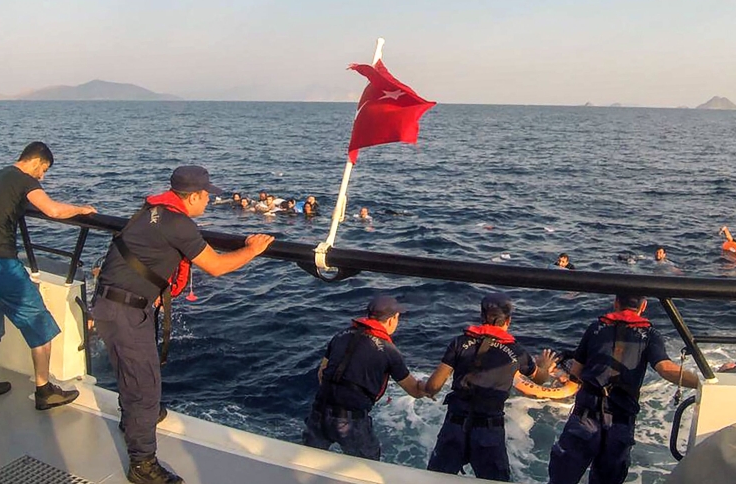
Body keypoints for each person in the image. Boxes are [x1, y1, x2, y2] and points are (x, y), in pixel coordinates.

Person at [92, 165, 274, 484]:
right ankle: (142, 465)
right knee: (146, 386)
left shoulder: (151, 211)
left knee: (133, 373)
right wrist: (251, 249)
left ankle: (133, 419)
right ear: (192, 197)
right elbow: (216, 266)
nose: (209, 201)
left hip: (112, 303)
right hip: (125, 311)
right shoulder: (179, 224)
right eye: (206, 196)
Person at [0, 142, 96, 410]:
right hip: (0, 263)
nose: (42, 177)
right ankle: (44, 390)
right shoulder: (24, 181)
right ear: (36, 162)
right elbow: (53, 211)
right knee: (40, 324)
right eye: (44, 170)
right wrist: (81, 209)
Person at [548, 294, 700, 484]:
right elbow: (666, 369)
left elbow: (577, 371)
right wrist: (702, 383)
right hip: (620, 420)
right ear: (643, 306)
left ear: (616, 303)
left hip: (586, 416)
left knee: (563, 477)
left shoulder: (595, 328)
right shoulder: (650, 334)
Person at [425, 293, 556, 481]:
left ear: (481, 316)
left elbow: (433, 387)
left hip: (455, 426)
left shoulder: (460, 342)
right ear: (508, 320)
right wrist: (544, 365)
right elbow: (540, 378)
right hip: (488, 432)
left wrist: (422, 388)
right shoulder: (517, 352)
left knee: (435, 480)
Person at [303, 295, 429, 460]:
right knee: (367, 466)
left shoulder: (340, 335)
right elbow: (414, 391)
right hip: (350, 421)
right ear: (392, 319)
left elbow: (322, 373)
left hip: (318, 412)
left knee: (308, 462)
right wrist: (430, 387)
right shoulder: (390, 351)